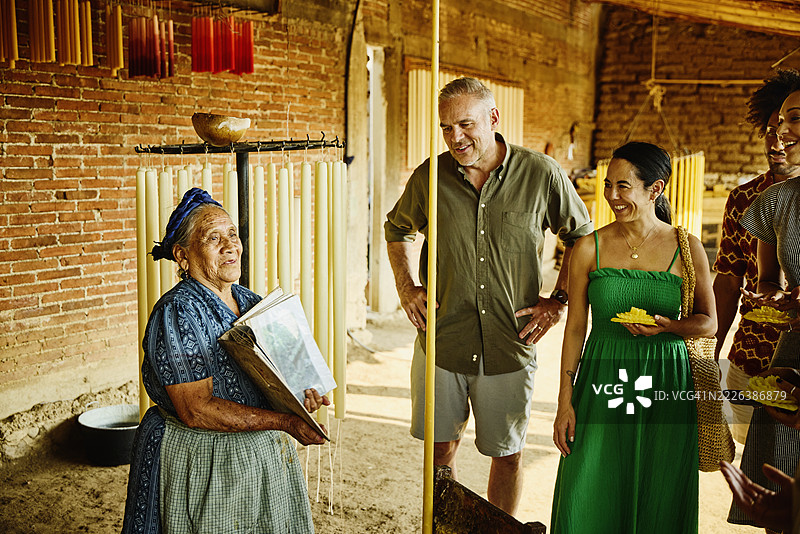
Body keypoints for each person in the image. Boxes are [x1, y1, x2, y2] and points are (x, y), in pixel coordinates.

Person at [384, 77, 592, 515]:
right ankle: (446, 525)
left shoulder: (541, 173)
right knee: (440, 454)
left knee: (508, 454)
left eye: (464, 124)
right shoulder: (430, 175)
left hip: (510, 341)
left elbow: (582, 236)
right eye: (445, 128)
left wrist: (558, 299)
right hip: (443, 339)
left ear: (493, 118)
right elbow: (397, 229)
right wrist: (407, 286)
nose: (455, 138)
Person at [122, 188, 328, 534]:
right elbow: (195, 409)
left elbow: (281, 376)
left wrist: (303, 394)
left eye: (232, 233)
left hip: (260, 452)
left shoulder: (254, 303)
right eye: (213, 238)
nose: (230, 245)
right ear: (183, 256)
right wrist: (285, 422)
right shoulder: (178, 312)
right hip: (204, 456)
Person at [550, 141, 716, 533]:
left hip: (666, 382)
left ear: (654, 190)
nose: (610, 196)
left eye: (623, 186)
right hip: (602, 376)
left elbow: (707, 322)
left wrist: (667, 326)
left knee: (659, 488)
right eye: (608, 185)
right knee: (588, 482)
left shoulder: (687, 247)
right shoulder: (589, 247)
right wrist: (564, 400)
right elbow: (575, 328)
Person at [713, 68, 800, 445]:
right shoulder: (749, 200)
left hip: (796, 365)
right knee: (755, 466)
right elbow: (729, 281)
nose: (777, 140)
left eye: (789, 123)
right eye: (771, 127)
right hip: (752, 356)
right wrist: (707, 357)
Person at [730, 83, 800, 533]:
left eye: (795, 119)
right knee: (783, 504)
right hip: (792, 358)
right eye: (779, 122)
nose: (781, 132)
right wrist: (775, 295)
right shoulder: (777, 200)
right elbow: (767, 276)